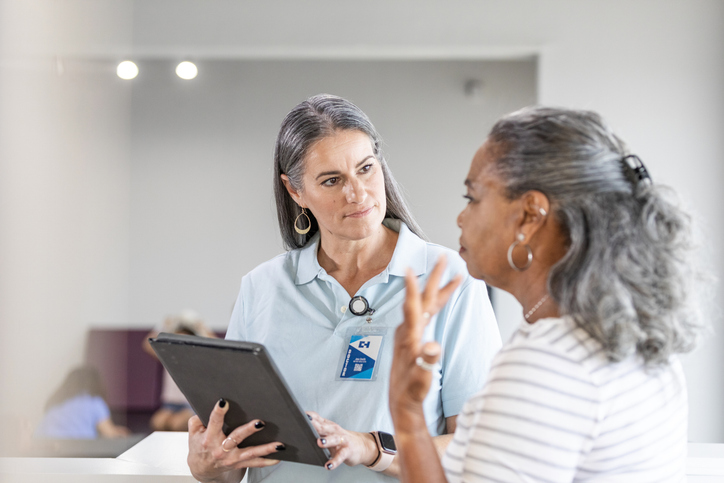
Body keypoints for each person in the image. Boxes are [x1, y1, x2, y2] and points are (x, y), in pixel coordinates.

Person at [187, 94, 502, 483]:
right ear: (295, 191)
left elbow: (480, 448)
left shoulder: (447, 278)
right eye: (332, 180)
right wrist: (207, 466)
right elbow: (234, 463)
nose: (358, 194)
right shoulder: (261, 288)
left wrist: (373, 448)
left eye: (366, 169)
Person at [389, 106, 703, 482]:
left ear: (529, 215)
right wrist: (408, 414)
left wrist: (404, 416)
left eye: (472, 197)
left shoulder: (548, 361)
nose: (461, 217)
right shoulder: (640, 345)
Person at [142, 309, 217, 432]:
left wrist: (202, 327)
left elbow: (216, 347)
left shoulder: (198, 358)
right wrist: (163, 326)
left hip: (190, 405)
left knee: (176, 425)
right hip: (170, 404)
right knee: (158, 423)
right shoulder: (168, 356)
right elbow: (147, 344)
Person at [35, 365, 131, 439]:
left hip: (49, 452)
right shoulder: (94, 402)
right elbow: (109, 434)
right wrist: (120, 433)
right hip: (79, 452)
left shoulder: (56, 403)